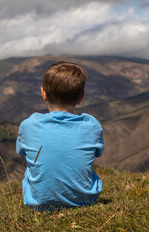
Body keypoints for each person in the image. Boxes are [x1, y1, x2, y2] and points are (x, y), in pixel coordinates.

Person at [16, 61, 104, 210]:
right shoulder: (92, 125)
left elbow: (20, 152)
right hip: (85, 200)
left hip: (38, 203)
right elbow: (98, 153)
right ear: (81, 97)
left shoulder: (28, 125)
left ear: (43, 93)